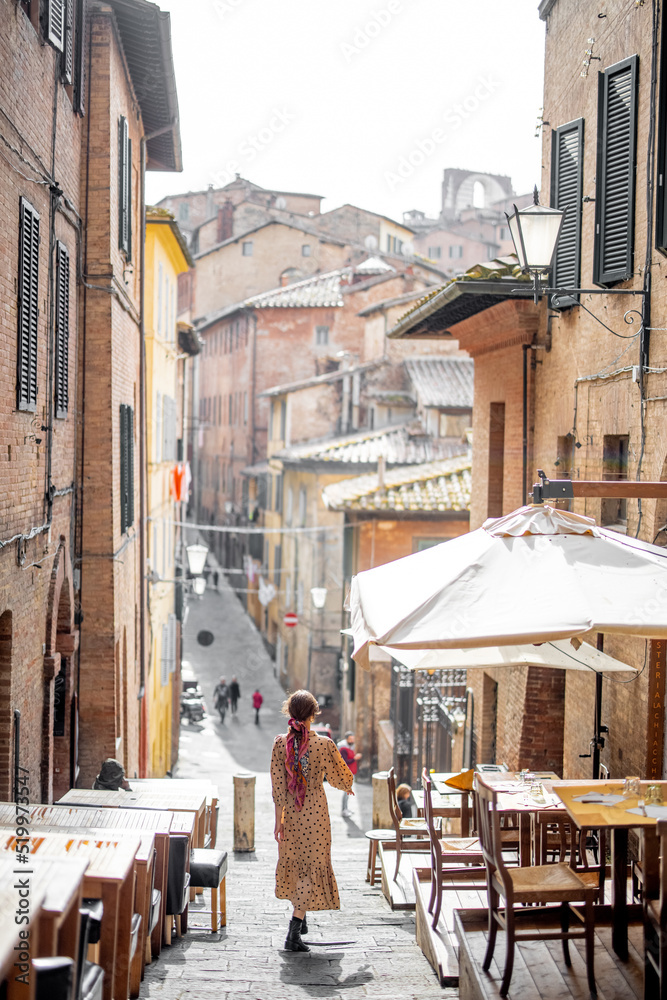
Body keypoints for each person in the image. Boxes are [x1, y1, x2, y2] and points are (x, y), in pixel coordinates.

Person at [271, 689, 354, 952]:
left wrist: (278, 821)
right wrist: (347, 785)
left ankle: (301, 915)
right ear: (313, 715)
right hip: (316, 814)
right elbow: (342, 777)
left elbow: (278, 788)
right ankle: (293, 932)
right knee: (312, 867)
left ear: (290, 713)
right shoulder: (324, 745)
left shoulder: (279, 744)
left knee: (296, 866)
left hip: (291, 816)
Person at [336, 731, 362, 817]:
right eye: (350, 739)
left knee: (347, 793)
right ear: (346, 739)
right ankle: (344, 810)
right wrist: (354, 758)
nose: (352, 740)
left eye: (353, 739)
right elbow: (344, 762)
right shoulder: (343, 749)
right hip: (346, 774)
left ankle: (346, 809)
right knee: (346, 793)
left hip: (351, 773)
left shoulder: (350, 747)